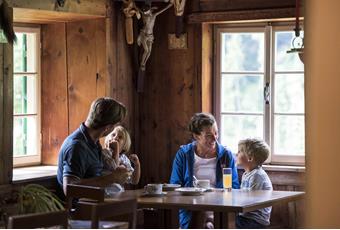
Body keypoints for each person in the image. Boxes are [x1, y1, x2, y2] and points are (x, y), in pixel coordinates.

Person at [170, 112, 240, 229]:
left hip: (220, 207)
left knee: (209, 223)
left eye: (216, 133)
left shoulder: (226, 155)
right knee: (201, 221)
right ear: (196, 136)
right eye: (208, 135)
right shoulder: (183, 154)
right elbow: (174, 186)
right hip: (191, 209)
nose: (214, 138)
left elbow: (235, 187)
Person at [57, 97, 131, 198]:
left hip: (98, 206)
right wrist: (113, 177)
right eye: (114, 126)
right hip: (83, 210)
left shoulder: (94, 143)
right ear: (108, 127)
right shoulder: (77, 146)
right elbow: (69, 189)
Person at [235, 138, 273, 229]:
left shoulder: (257, 176)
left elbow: (250, 203)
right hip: (246, 217)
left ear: (250, 158)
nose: (236, 154)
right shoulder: (247, 174)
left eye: (240, 151)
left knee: (224, 223)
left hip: (255, 221)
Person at [137, 3, 172, 71]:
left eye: (146, 12)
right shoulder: (144, 15)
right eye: (145, 12)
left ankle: (144, 63)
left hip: (151, 36)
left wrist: (169, 5)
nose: (145, 13)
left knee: (149, 52)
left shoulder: (154, 16)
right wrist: (134, 5)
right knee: (146, 50)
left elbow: (162, 10)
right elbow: (139, 9)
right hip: (144, 35)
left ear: (149, 11)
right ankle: (142, 64)